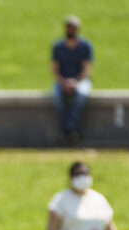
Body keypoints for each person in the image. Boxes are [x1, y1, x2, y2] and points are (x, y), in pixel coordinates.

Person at [51, 15, 93, 143]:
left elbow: (87, 70)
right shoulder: (58, 47)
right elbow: (54, 69)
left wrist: (76, 82)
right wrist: (63, 82)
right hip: (62, 81)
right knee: (57, 97)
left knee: (80, 95)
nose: (71, 29)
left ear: (78, 29)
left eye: (73, 27)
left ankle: (71, 128)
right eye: (69, 26)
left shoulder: (85, 46)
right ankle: (66, 129)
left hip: (80, 80)